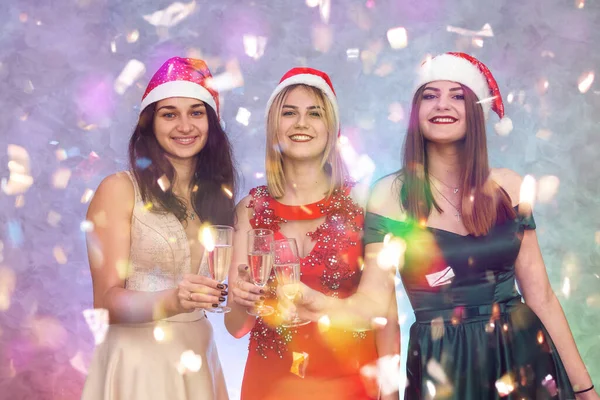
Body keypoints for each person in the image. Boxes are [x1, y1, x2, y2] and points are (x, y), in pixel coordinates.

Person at [284, 53, 598, 399]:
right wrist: (315, 303)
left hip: (522, 357)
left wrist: (585, 389)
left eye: (457, 95)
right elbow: (375, 306)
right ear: (416, 111)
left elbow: (542, 297)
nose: (441, 105)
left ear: (475, 111)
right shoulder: (389, 195)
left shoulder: (509, 186)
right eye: (430, 95)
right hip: (443, 367)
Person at [225, 67, 387, 399]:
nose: (301, 123)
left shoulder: (365, 205)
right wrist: (243, 302)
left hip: (351, 383)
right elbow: (236, 327)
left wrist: (392, 389)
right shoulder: (249, 209)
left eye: (314, 113)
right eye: (289, 113)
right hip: (270, 385)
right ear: (274, 127)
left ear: (331, 128)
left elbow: (384, 315)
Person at [81, 57, 234, 400]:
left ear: (212, 121)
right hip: (138, 365)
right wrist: (173, 300)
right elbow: (105, 303)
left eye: (196, 112)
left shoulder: (216, 198)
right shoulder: (120, 189)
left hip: (198, 358)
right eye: (169, 114)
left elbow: (226, 294)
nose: (184, 125)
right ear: (149, 124)